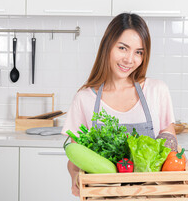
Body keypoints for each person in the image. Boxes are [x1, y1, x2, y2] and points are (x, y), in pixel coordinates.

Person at [61, 13, 178, 197]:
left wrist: (183, 166)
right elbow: (76, 159)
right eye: (123, 48)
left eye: (139, 52)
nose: (129, 59)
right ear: (107, 45)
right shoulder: (84, 99)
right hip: (103, 197)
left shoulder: (157, 91)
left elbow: (172, 149)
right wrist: (75, 176)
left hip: (153, 196)